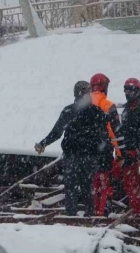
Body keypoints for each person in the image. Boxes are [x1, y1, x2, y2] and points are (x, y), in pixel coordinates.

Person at [35, 81, 112, 217]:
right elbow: (104, 137)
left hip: (77, 155)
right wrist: (105, 155)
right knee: (85, 186)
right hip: (85, 155)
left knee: (74, 186)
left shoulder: (72, 111)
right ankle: (86, 213)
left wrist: (43, 143)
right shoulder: (95, 111)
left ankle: (74, 214)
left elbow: (57, 131)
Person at [116, 78, 140, 215]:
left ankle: (137, 211)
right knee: (122, 181)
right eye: (125, 89)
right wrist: (119, 150)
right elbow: (122, 131)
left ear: (138, 91)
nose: (127, 93)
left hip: (135, 152)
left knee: (132, 184)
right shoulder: (126, 109)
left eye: (130, 89)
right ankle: (128, 208)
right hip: (124, 151)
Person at [89, 73, 122, 216]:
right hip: (103, 151)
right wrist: (120, 153)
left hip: (86, 152)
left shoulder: (83, 104)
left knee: (91, 183)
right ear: (105, 87)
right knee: (104, 184)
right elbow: (115, 131)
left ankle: (90, 209)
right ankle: (100, 211)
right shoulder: (108, 106)